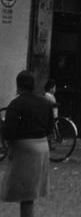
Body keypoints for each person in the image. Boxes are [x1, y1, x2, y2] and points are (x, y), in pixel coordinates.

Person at [0, 69, 54, 217]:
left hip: (24, 150)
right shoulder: (46, 103)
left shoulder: (16, 104)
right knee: (29, 195)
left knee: (24, 193)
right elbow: (50, 127)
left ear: (18, 85)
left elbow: (8, 132)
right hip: (42, 147)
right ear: (33, 85)